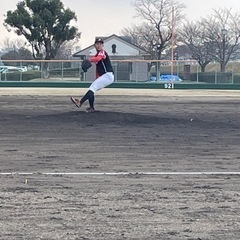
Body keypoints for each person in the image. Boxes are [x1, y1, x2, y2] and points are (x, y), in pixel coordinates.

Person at [70, 38, 114, 112]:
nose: (99, 45)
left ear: (103, 45)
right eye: (97, 44)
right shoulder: (97, 54)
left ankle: (80, 102)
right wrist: (96, 79)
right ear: (94, 45)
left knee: (93, 87)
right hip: (105, 76)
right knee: (92, 88)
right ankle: (91, 108)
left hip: (108, 75)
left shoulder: (102, 52)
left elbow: (97, 59)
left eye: (100, 44)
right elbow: (97, 68)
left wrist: (89, 60)